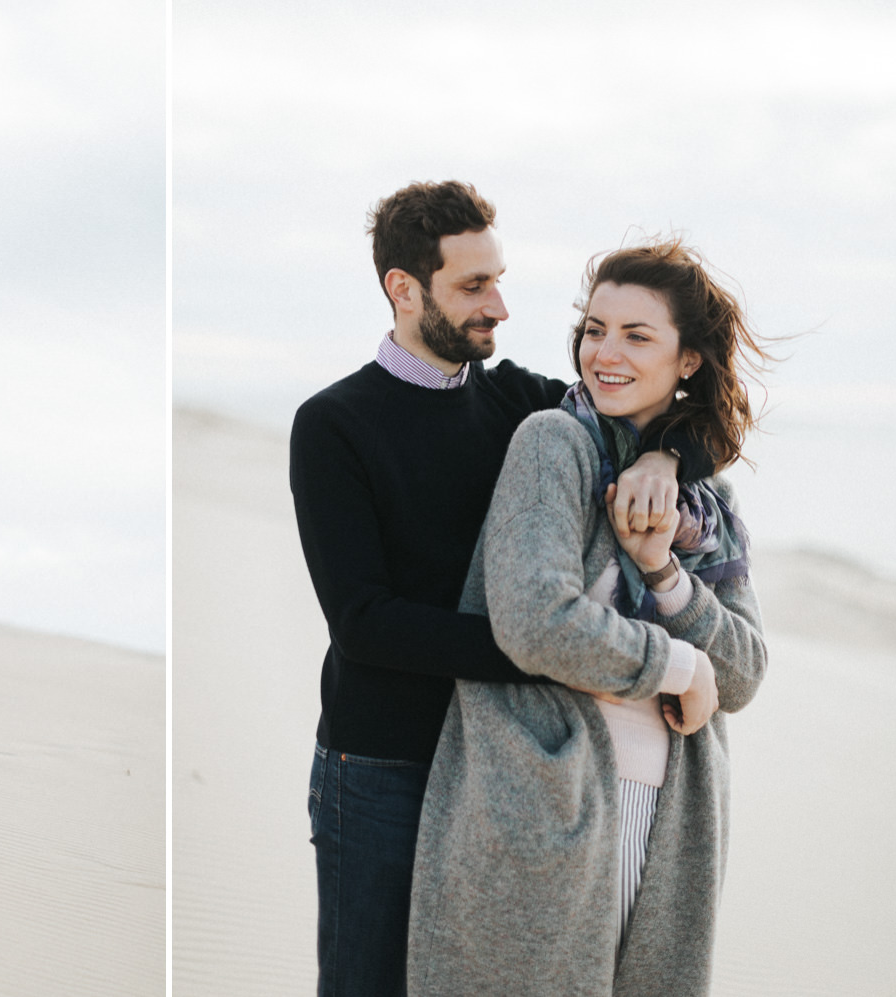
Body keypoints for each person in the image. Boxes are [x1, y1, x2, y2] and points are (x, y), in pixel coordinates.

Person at [289, 182, 711, 996]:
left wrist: (667, 460)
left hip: (493, 764)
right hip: (380, 761)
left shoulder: (519, 401)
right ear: (403, 289)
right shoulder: (333, 423)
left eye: (499, 278)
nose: (501, 306)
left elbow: (662, 405)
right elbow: (365, 622)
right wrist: (556, 651)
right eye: (474, 286)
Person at [405, 240, 770, 995]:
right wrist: (677, 663)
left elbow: (743, 673)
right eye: (594, 328)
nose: (604, 352)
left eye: (637, 336)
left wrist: (665, 573)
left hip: (672, 822)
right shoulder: (552, 443)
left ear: (688, 360)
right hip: (546, 806)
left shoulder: (712, 507)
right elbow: (535, 619)